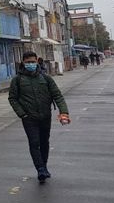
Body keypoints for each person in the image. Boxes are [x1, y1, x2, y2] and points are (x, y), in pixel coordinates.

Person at [8, 51, 71, 183]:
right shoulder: (17, 80)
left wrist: (64, 112)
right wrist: (22, 113)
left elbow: (57, 95)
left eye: (32, 61)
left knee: (44, 142)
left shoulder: (46, 78)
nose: (30, 64)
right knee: (34, 142)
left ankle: (44, 166)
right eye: (27, 62)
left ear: (37, 61)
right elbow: (12, 98)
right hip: (29, 118)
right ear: (23, 63)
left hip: (45, 116)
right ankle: (40, 169)